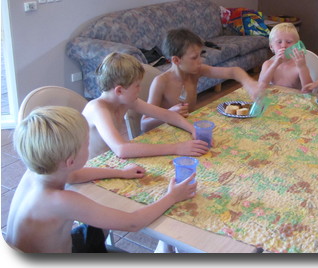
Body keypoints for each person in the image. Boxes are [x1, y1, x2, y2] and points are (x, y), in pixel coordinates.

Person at [6, 106, 197, 253]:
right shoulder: (60, 201)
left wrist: (121, 173)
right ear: (71, 160)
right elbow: (133, 223)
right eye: (86, 144)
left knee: (93, 228)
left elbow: (74, 174)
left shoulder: (37, 173)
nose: (88, 146)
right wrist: (172, 197)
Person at [83, 52, 209, 158]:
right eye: (137, 85)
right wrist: (176, 148)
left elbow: (167, 115)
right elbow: (121, 149)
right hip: (89, 169)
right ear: (119, 90)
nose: (140, 89)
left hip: (110, 161)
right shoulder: (98, 109)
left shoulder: (124, 100)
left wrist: (193, 129)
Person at [141, 28, 263, 132]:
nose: (201, 61)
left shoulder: (195, 72)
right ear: (176, 60)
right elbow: (144, 125)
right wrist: (169, 114)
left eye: (201, 55)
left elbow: (233, 71)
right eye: (194, 57)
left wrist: (250, 83)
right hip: (167, 134)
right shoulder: (161, 82)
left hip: (188, 129)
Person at [258, 22, 313, 90]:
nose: (284, 46)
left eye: (289, 42)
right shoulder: (268, 64)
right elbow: (260, 86)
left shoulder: (298, 66)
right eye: (279, 42)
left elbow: (309, 90)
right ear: (271, 46)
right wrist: (275, 65)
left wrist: (302, 67)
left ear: (297, 45)